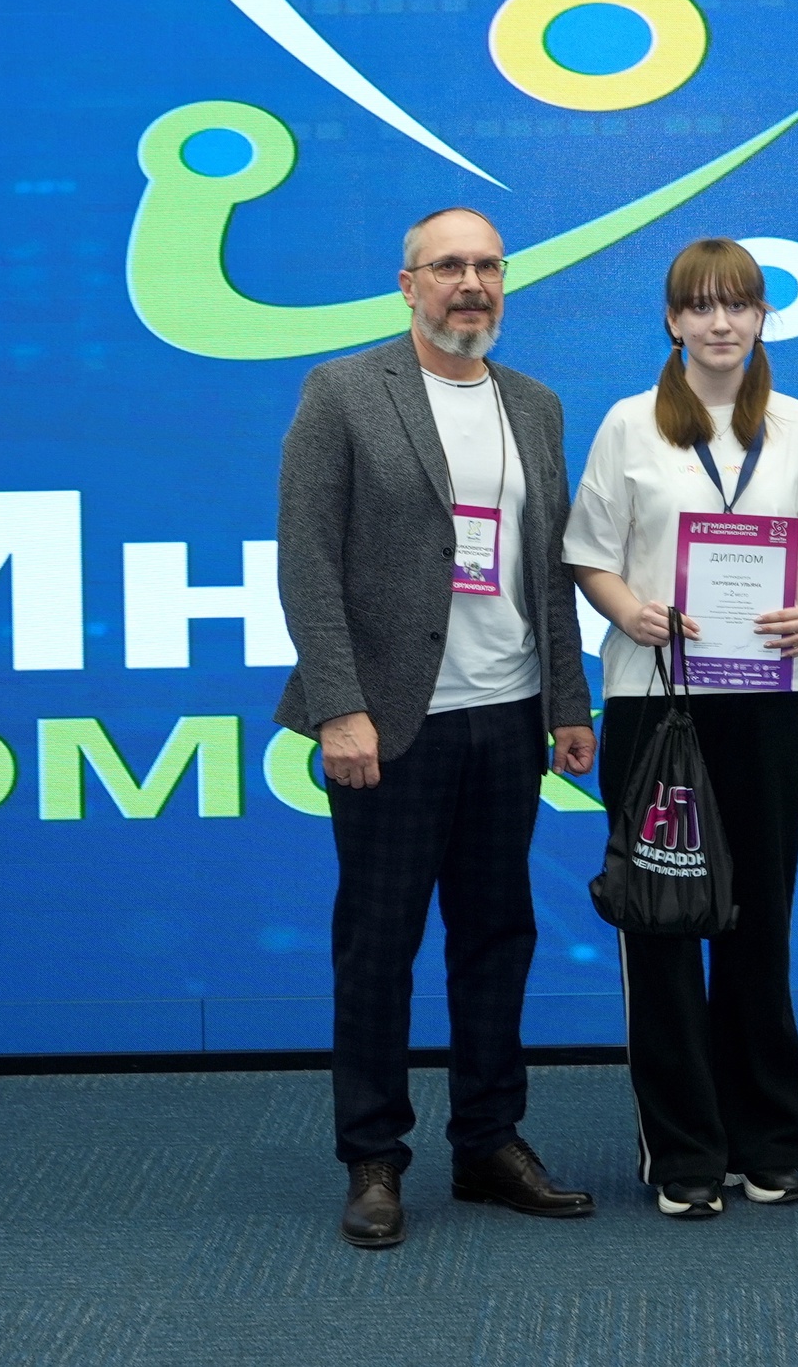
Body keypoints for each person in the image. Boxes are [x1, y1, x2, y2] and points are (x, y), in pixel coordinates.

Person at [275, 206, 600, 1250]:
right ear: (407, 284)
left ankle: (489, 1142)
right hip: (389, 723)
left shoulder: (534, 404)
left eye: (488, 266)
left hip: (507, 717)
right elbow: (307, 561)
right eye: (449, 265)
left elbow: (547, 567)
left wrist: (567, 702)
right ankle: (373, 1157)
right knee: (378, 946)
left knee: (498, 936)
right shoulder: (342, 391)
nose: (472, 283)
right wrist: (339, 706)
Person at [565, 238, 798, 1220]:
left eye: (739, 305)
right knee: (662, 923)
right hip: (655, 701)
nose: (721, 323)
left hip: (766, 698)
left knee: (759, 922)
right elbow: (588, 556)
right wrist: (630, 610)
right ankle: (683, 1148)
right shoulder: (629, 423)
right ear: (672, 320)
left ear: (764, 317)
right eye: (701, 306)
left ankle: (765, 1137)